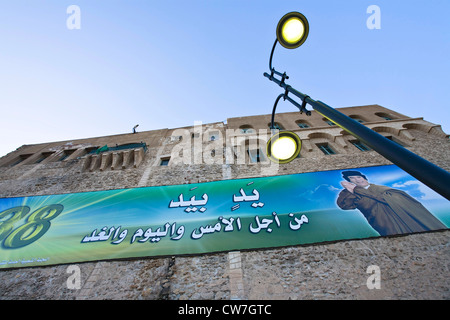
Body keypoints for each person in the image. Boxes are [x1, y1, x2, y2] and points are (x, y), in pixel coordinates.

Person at [336, 170, 446, 236]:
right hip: (385, 226)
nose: (357, 180)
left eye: (359, 177)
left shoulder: (384, 190)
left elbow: (386, 199)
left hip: (413, 222)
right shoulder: (352, 193)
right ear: (349, 181)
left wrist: (357, 190)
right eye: (352, 178)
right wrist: (347, 191)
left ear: (364, 178)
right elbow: (344, 205)